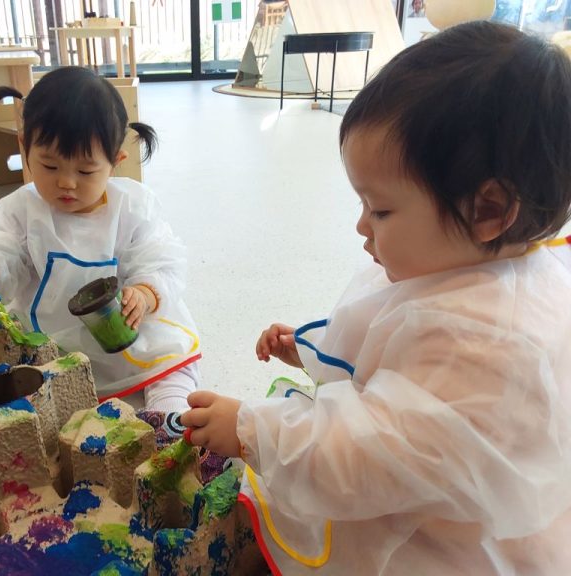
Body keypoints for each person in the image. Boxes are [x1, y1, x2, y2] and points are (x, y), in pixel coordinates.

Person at [181, 21, 571, 575]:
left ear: (488, 211)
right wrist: (312, 351)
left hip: (443, 549)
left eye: (381, 210)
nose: (361, 225)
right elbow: (395, 342)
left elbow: (368, 456)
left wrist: (253, 431)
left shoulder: (488, 343)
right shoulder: (473, 262)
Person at [0, 67, 201, 413]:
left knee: (173, 363)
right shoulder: (20, 209)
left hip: (126, 330)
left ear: (114, 163)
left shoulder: (132, 205)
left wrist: (145, 292)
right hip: (47, 340)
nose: (66, 183)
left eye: (85, 172)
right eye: (50, 166)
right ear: (24, 147)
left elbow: (162, 259)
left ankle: (169, 416)